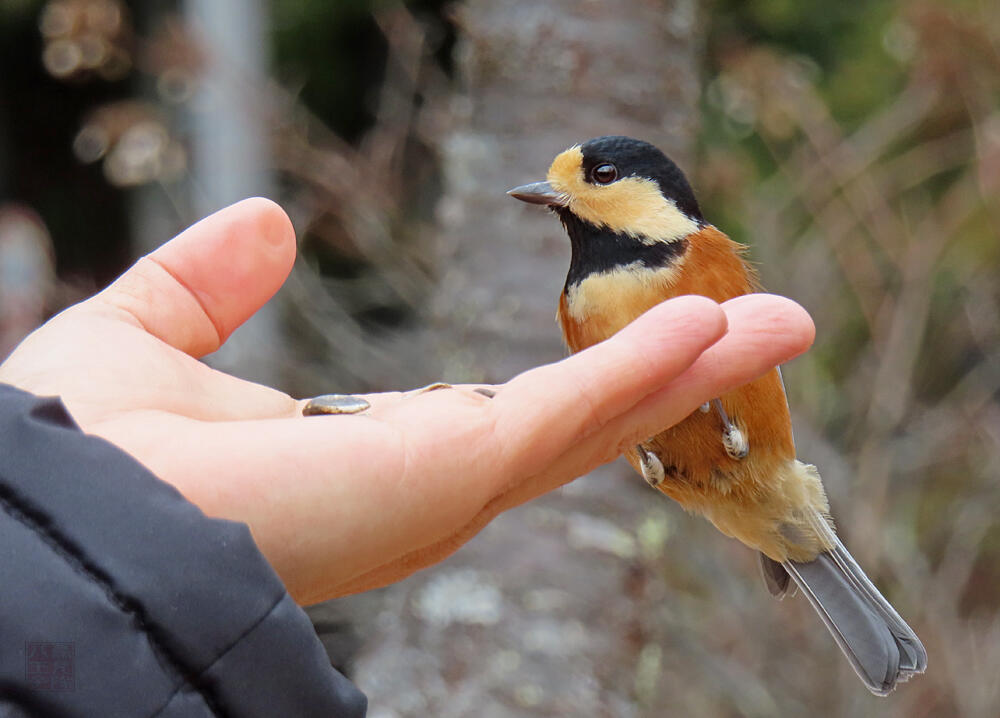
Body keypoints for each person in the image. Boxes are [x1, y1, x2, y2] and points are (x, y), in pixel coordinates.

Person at [0, 198, 815, 716]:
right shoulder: (577, 300)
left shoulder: (699, 254)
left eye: (593, 177)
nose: (559, 198)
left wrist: (82, 505)